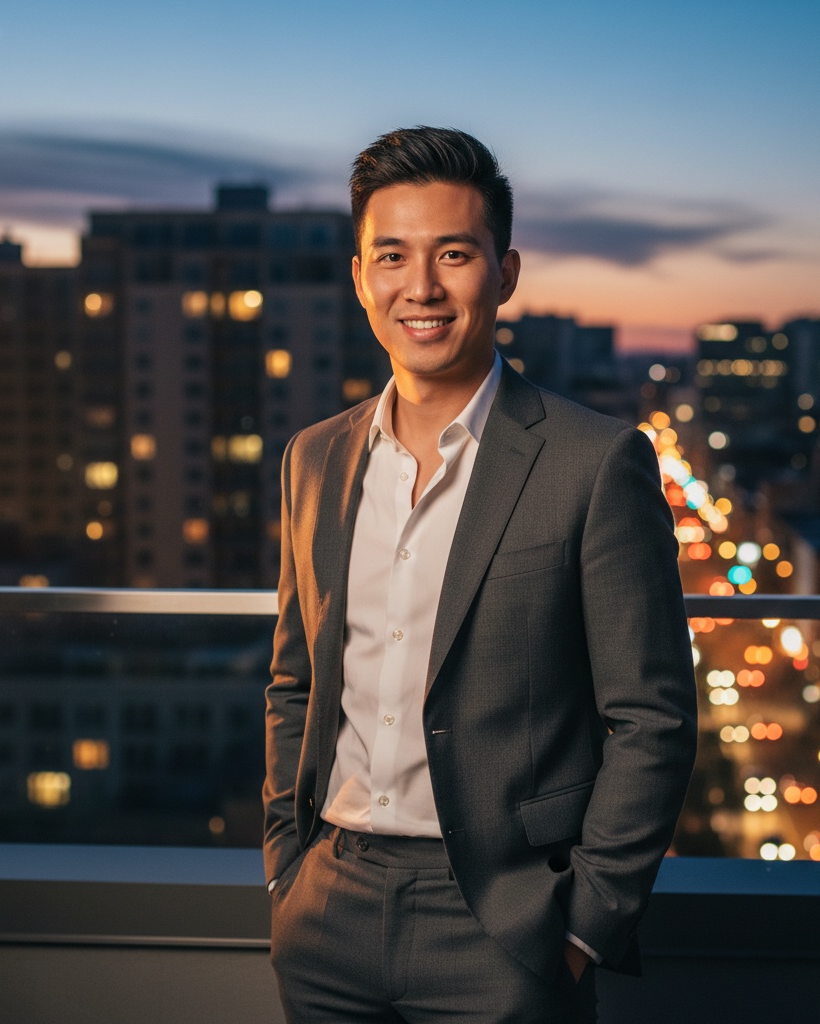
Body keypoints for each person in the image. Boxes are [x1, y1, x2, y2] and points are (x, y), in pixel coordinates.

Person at [263, 126, 697, 1024]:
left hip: (506, 923)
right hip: (329, 907)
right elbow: (295, 681)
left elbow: (651, 717)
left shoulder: (594, 461)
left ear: (505, 273)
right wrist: (285, 867)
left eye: (454, 254)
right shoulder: (315, 459)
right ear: (360, 278)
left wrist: (585, 926)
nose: (421, 287)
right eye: (392, 256)